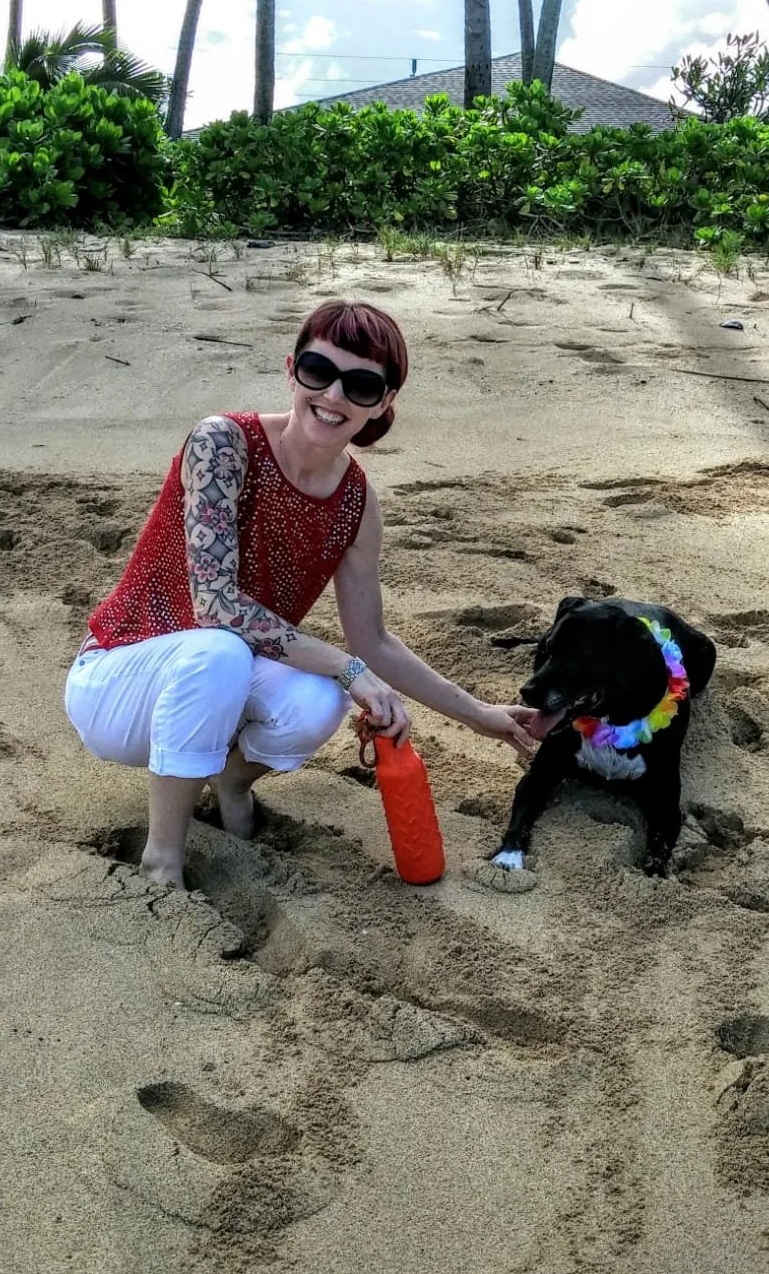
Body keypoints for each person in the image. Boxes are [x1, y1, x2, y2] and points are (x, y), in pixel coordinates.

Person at [65, 299, 539, 886]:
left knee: (324, 695)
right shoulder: (223, 443)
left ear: (384, 401)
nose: (335, 395)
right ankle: (163, 859)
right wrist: (349, 666)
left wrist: (481, 716)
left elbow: (374, 641)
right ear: (292, 369)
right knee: (229, 650)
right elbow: (216, 604)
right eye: (320, 371)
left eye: (361, 383)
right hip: (121, 676)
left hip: (217, 682)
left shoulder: (357, 506)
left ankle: (233, 779)